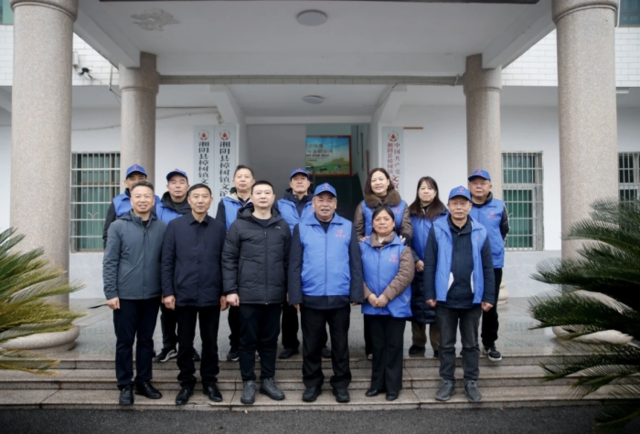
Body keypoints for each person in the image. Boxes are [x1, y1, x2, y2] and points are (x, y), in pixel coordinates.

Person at [289, 183, 364, 404]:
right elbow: (294, 264)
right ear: (313, 204)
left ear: (335, 204)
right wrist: (295, 294)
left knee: (340, 344)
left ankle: (340, 384)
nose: (325, 204)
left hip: (339, 295)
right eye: (320, 200)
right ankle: (312, 384)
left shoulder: (347, 226)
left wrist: (356, 292)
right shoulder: (301, 228)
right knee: (311, 345)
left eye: (329, 200)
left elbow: (355, 262)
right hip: (311, 296)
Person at [222, 180, 291, 405]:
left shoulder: (282, 226)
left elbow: (289, 261)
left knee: (270, 340)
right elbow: (228, 259)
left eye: (267, 192)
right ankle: (249, 381)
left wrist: (290, 289)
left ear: (273, 197)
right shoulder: (239, 225)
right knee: (247, 341)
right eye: (258, 192)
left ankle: (268, 379)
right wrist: (230, 290)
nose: (263, 196)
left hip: (275, 295)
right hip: (247, 295)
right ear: (251, 197)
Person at [424, 186, 495, 403]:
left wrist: (489, 296)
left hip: (472, 299)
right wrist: (430, 292)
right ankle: (447, 381)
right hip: (445, 299)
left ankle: (471, 382)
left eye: (463, 203)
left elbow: (488, 266)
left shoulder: (480, 231)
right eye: (454, 203)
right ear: (448, 206)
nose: (458, 207)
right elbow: (430, 263)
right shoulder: (437, 229)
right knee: (446, 344)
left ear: (470, 206)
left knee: (471, 344)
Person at [161, 183, 228, 405]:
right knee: (185, 342)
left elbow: (225, 261)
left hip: (211, 294)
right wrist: (168, 292)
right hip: (184, 294)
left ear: (211, 200)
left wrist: (225, 291)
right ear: (189, 200)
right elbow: (167, 261)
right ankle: (186, 382)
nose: (200, 200)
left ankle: (210, 381)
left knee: (210, 341)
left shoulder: (219, 228)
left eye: (204, 196)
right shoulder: (175, 226)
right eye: (196, 196)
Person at [103, 181, 166, 406]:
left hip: (152, 295)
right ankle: (125, 384)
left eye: (147, 196)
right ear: (131, 200)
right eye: (138, 196)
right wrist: (111, 292)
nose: (142, 200)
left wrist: (165, 290)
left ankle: (143, 381)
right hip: (125, 295)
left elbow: (165, 262)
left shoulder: (162, 228)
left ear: (153, 200)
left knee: (146, 341)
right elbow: (110, 261)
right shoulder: (118, 227)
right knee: (125, 341)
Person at [354, 168, 413, 360]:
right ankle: (372, 349)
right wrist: (361, 241)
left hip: (393, 252)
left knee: (393, 298)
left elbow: (407, 228)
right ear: (369, 184)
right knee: (371, 310)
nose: (378, 183)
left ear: (388, 181)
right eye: (374, 180)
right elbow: (357, 230)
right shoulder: (363, 205)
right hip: (370, 252)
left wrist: (403, 239)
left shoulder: (401, 204)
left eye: (381, 179)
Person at [360, 206, 414, 401]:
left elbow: (405, 275)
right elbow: (356, 273)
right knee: (377, 347)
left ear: (393, 223)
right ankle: (376, 384)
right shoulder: (362, 247)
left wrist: (386, 296)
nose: (382, 222)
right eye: (378, 219)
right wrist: (368, 295)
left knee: (393, 346)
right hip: (372, 305)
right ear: (372, 223)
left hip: (395, 305)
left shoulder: (403, 248)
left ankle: (393, 386)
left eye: (386, 219)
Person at [276, 168, 329, 360]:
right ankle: (290, 344)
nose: (299, 182)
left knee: (315, 302)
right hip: (286, 257)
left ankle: (320, 343)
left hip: (311, 256)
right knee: (288, 304)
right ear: (290, 183)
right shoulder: (279, 204)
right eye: (295, 179)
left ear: (309, 183)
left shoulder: (316, 202)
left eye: (303, 179)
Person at [154, 169, 198, 364]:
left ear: (187, 186)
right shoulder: (158, 209)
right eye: (173, 182)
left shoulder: (195, 207)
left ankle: (187, 346)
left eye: (181, 182)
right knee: (167, 309)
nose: (178, 185)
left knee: (188, 311)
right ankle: (169, 346)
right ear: (167, 186)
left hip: (188, 267)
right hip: (164, 264)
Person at [467, 169, 509, 362]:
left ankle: (489, 343)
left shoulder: (499, 206)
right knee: (469, 304)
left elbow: (504, 231)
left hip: (493, 263)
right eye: (474, 183)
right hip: (468, 263)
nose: (478, 186)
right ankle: (470, 344)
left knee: (490, 304)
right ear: (469, 186)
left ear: (490, 186)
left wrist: (496, 248)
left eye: (482, 183)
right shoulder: (464, 205)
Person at [216, 165, 255, 362]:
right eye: (239, 176)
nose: (243, 179)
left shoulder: (259, 200)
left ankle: (253, 344)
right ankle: (235, 344)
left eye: (247, 176)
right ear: (233, 181)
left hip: (255, 258)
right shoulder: (225, 202)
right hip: (233, 257)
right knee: (235, 305)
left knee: (254, 305)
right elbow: (219, 230)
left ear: (253, 181)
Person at [407, 177, 447, 358]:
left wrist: (432, 262)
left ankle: (438, 344)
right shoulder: (410, 213)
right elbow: (405, 239)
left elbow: (446, 242)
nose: (426, 191)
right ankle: (418, 342)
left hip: (436, 267)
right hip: (415, 266)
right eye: (422, 188)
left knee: (437, 305)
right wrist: (415, 259)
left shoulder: (444, 214)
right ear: (417, 191)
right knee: (416, 305)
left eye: (430, 188)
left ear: (435, 192)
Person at [102, 164, 159, 248]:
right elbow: (108, 232)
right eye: (132, 179)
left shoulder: (156, 200)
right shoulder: (117, 202)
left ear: (146, 180)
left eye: (140, 178)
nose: (136, 181)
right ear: (126, 182)